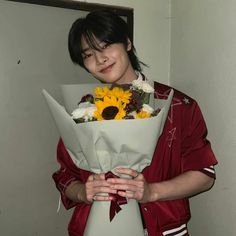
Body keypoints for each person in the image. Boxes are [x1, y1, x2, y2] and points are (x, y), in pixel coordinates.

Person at [52, 9, 217, 236]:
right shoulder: (83, 111)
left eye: (106, 45)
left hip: (163, 228)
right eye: (88, 54)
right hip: (97, 227)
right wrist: (83, 192)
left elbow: (204, 175)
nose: (100, 59)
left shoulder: (177, 105)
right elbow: (65, 175)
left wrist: (152, 192)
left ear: (127, 43)